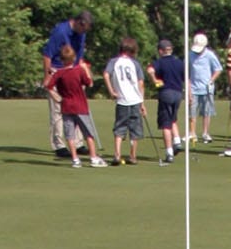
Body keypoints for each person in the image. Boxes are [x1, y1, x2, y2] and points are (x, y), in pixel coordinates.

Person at [45, 44, 107, 167]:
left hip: (66, 106)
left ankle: (75, 159)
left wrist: (57, 98)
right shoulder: (79, 71)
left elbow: (49, 86)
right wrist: (86, 69)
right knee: (88, 134)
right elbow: (89, 83)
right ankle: (93, 158)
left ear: (62, 60)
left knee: (70, 135)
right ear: (74, 58)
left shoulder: (59, 74)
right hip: (80, 106)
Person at [41, 9, 92, 159]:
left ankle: (77, 142)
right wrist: (47, 77)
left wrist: (84, 74)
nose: (83, 32)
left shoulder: (82, 34)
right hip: (57, 71)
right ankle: (59, 145)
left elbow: (80, 57)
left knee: (77, 107)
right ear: (77, 22)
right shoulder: (60, 31)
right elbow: (47, 55)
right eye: (83, 28)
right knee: (58, 109)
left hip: (74, 72)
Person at [104, 37, 146, 165]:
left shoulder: (114, 62)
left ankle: (117, 154)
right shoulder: (135, 64)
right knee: (134, 129)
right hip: (135, 100)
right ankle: (132, 156)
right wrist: (142, 103)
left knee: (119, 127)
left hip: (121, 100)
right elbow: (141, 83)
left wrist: (111, 91)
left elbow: (106, 74)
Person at [149, 39, 184, 163]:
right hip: (178, 94)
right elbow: (186, 78)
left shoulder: (160, 62)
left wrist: (155, 81)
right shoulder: (179, 62)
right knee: (173, 118)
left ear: (160, 51)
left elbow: (150, 70)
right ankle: (177, 141)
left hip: (166, 93)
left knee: (165, 124)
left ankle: (169, 152)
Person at [188, 32, 222, 144]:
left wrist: (211, 80)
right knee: (192, 112)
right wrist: (188, 88)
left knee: (206, 112)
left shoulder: (210, 55)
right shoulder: (190, 55)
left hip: (207, 89)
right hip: (193, 88)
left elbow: (218, 69)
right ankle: (192, 133)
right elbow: (187, 71)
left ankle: (205, 133)